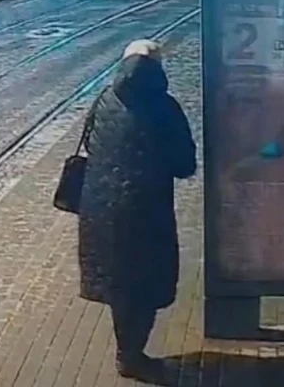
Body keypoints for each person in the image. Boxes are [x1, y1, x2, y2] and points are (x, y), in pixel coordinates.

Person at [77, 40, 197, 379]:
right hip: (146, 212)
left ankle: (127, 352)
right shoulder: (165, 107)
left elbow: (90, 143)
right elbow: (185, 164)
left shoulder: (104, 98)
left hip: (101, 209)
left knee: (119, 283)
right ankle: (131, 356)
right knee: (144, 285)